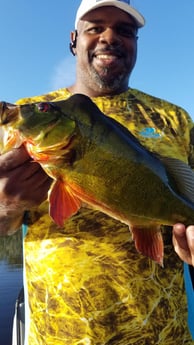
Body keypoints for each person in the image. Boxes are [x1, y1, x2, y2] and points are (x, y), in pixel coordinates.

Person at [1, 0, 194, 344]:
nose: (110, 37)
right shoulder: (27, 121)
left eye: (125, 31)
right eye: (95, 27)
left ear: (136, 44)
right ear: (74, 39)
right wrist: (6, 206)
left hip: (165, 334)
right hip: (59, 335)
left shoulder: (175, 119)